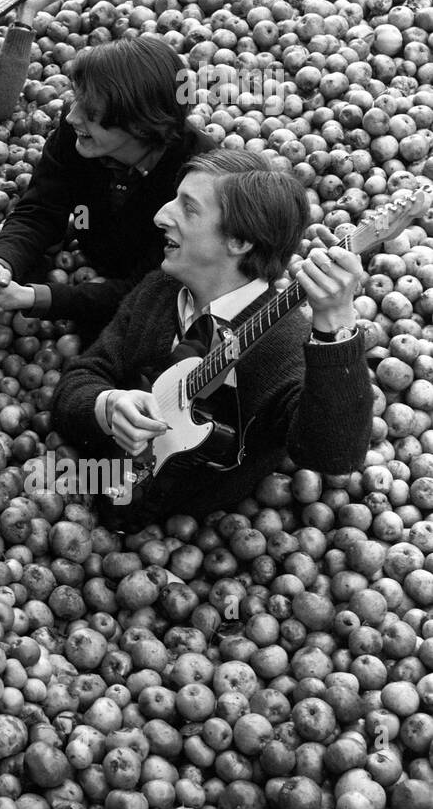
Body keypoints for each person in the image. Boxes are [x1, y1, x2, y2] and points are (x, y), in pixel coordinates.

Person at [52, 146, 371, 530]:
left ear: (239, 241)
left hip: (198, 526)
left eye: (187, 208)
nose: (159, 215)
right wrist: (108, 405)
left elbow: (334, 454)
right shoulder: (160, 289)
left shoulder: (285, 346)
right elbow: (80, 378)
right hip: (105, 480)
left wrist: (335, 325)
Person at [0, 36, 210, 331]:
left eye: (91, 113)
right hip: (89, 255)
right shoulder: (78, 134)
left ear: (141, 125)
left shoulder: (197, 181)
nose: (73, 116)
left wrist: (32, 298)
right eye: (77, 98)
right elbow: (41, 209)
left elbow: (151, 293)